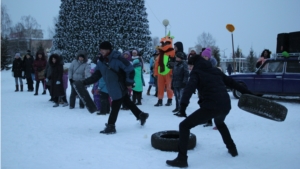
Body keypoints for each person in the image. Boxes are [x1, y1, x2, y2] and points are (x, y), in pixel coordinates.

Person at [166, 48, 253, 168]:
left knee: (184, 126)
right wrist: (248, 93)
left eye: (190, 66)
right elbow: (232, 83)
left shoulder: (196, 73)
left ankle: (182, 159)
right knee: (220, 123)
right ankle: (232, 149)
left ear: (194, 64)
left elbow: (189, 89)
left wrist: (183, 107)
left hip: (212, 105)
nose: (190, 68)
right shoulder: (215, 71)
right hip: (225, 105)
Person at [82, 41, 149, 134]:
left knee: (115, 105)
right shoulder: (101, 61)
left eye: (103, 49)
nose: (101, 51)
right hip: (112, 87)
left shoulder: (118, 59)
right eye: (100, 49)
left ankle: (111, 126)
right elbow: (96, 75)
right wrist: (85, 82)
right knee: (127, 102)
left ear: (109, 50)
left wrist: (129, 82)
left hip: (120, 85)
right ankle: (141, 115)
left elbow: (130, 69)